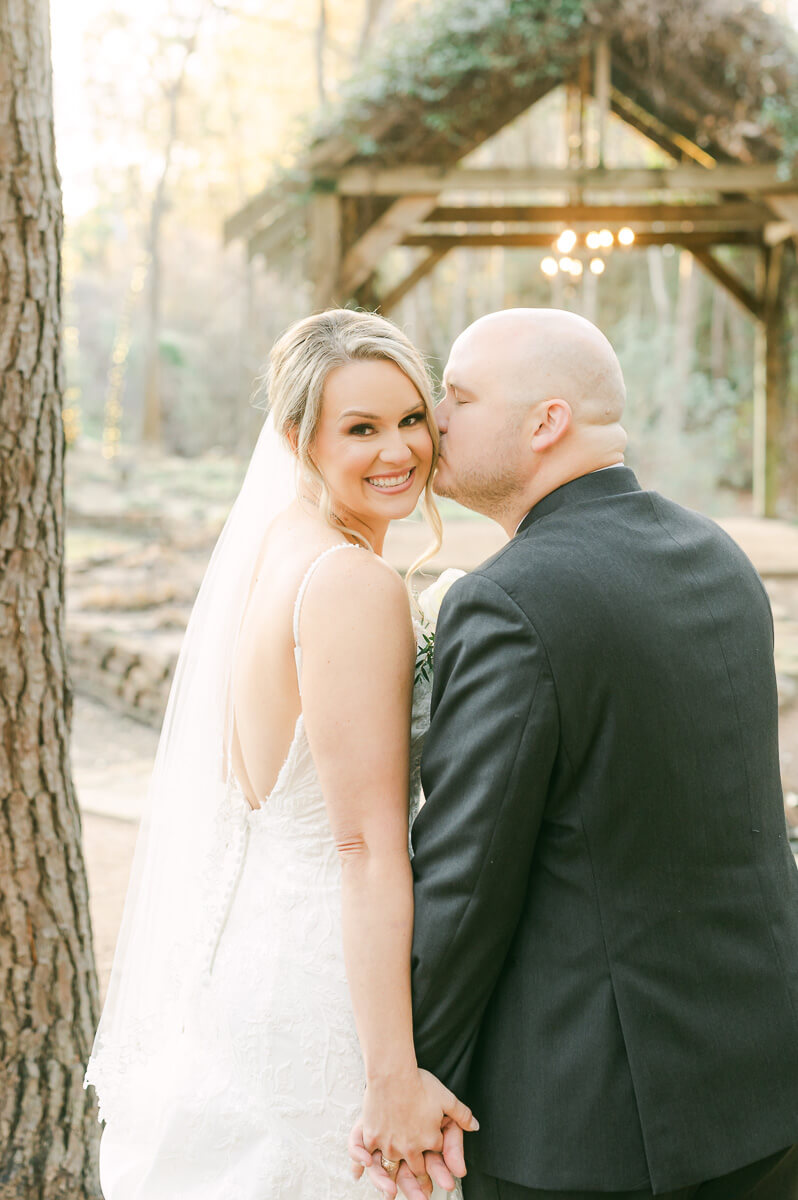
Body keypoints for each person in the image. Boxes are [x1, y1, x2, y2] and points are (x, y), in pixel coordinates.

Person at [351, 308, 798, 1200]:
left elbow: (466, 879)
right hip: (762, 1087)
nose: (434, 420)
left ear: (546, 422)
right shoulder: (718, 556)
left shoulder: (513, 599)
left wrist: (411, 1083)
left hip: (591, 1125)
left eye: (456, 397)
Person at [84, 308, 476, 1199]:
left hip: (250, 957)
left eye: (412, 419)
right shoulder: (350, 581)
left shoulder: (279, 546)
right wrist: (390, 1077)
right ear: (299, 436)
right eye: (362, 429)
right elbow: (366, 847)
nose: (398, 451)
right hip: (326, 993)